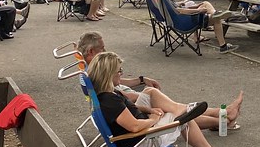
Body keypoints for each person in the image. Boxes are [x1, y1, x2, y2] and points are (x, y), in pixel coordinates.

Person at [87, 51, 234, 147]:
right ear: (108, 74)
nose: (122, 73)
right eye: (119, 71)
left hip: (135, 135)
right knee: (184, 119)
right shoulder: (110, 100)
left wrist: (149, 110)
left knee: (150, 92)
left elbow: (125, 110)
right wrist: (154, 119)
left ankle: (182, 109)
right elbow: (134, 126)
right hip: (139, 143)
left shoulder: (106, 93)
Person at [77, 32, 244, 132]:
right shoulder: (100, 69)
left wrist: (141, 80)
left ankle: (224, 117)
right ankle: (224, 118)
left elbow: (116, 86)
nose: (105, 51)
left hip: (125, 104)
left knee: (171, 107)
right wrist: (151, 114)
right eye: (102, 49)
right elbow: (118, 95)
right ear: (92, 51)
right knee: (176, 113)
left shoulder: (90, 69)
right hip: (128, 109)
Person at [159, 0, 238, 52]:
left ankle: (215, 13)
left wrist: (196, 7)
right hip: (187, 22)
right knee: (216, 19)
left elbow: (178, 10)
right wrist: (198, 10)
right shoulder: (167, 1)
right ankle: (223, 46)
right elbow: (179, 11)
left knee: (204, 3)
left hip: (180, 21)